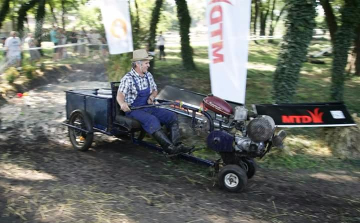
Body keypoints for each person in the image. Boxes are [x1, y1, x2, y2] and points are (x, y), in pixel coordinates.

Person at [116, 49, 192, 155]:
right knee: (152, 120)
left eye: (148, 63)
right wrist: (122, 104)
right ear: (138, 64)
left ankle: (177, 145)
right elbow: (119, 95)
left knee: (171, 116)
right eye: (146, 63)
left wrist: (152, 97)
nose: (148, 65)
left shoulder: (148, 75)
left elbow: (155, 90)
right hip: (134, 110)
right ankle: (169, 149)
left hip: (148, 106)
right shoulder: (128, 79)